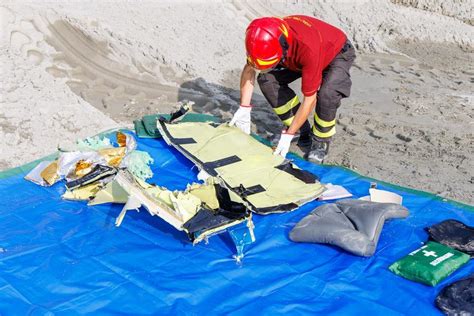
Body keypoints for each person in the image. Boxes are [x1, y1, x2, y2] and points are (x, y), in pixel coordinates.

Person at [229, 15, 356, 163]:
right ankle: (300, 130)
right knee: (267, 79)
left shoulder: (308, 49)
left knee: (327, 93)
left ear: (282, 47)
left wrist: (287, 135)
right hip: (297, 57)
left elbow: (309, 99)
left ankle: (321, 139)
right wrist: (244, 108)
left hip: (336, 53)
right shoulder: (265, 39)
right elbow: (250, 69)